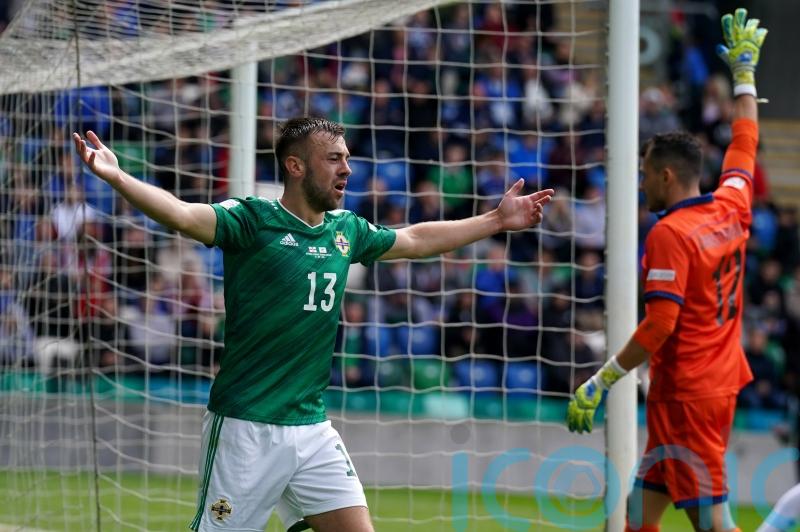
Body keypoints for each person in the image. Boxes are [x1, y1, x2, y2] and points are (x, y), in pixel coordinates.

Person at [73, 117, 554, 532]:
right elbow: (181, 214)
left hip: (311, 426)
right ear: (296, 166)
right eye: (333, 159)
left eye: (347, 158)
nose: (347, 169)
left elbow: (414, 239)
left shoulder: (346, 229)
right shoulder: (252, 220)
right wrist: (117, 176)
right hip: (246, 426)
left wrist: (495, 220)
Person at [565, 8, 767, 532]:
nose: (641, 183)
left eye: (645, 174)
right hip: (715, 379)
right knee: (637, 519)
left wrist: (602, 381)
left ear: (668, 176)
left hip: (689, 394)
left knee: (714, 525)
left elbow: (660, 324)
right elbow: (744, 140)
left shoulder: (670, 234)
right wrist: (744, 75)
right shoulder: (732, 204)